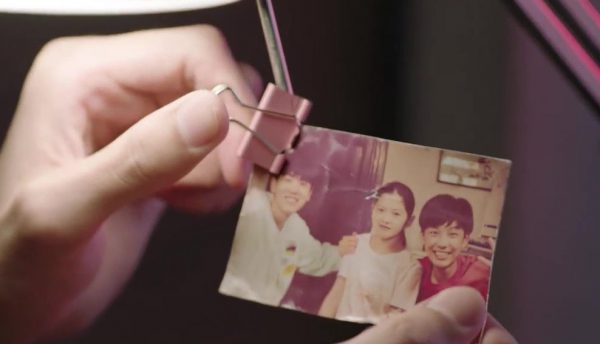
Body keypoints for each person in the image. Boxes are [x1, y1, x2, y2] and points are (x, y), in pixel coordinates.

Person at [0, 26, 516, 343]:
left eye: (395, 214)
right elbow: (324, 270)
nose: (387, 217)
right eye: (383, 208)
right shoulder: (331, 245)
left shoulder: (401, 261)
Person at [220, 150, 355, 306]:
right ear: (274, 185)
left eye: (303, 184)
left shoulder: (298, 227)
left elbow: (316, 258)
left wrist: (341, 251)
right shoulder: (250, 208)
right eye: (288, 180)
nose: (294, 190)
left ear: (309, 194)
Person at [318, 181, 422, 322]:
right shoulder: (356, 243)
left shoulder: (410, 267)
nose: (386, 219)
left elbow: (393, 323)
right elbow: (335, 296)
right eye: (381, 210)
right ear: (372, 208)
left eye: (396, 214)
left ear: (409, 220)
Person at [414, 194, 491, 303]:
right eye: (434, 233)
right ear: (422, 236)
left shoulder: (480, 273)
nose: (442, 243)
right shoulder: (414, 272)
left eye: (452, 234)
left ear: (465, 240)